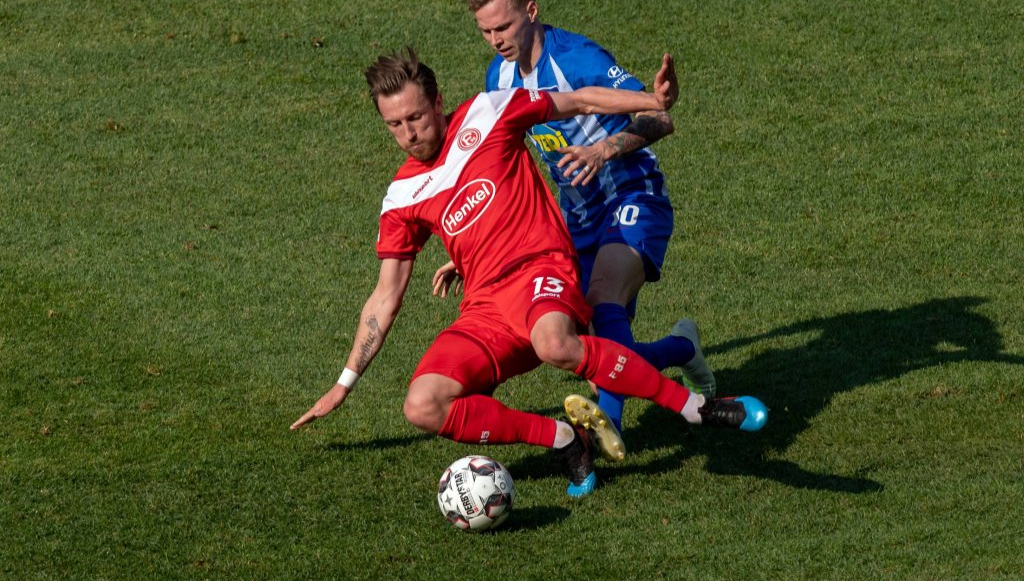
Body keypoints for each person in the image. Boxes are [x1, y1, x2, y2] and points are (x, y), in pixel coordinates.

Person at [290, 47, 766, 498]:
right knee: (422, 405)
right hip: (485, 309)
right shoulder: (402, 196)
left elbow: (577, 99)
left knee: (555, 343)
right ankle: (563, 439)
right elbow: (385, 296)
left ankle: (696, 409)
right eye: (394, 124)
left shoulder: (487, 113)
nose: (409, 132)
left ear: (437, 102)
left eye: (415, 117)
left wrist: (653, 100)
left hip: (543, 270)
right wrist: (343, 383)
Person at [447, 0, 717, 433]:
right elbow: (503, 165)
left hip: (632, 194)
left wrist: (604, 148)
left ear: (531, 11)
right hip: (574, 218)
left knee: (603, 297)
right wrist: (471, 244)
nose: (495, 39)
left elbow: (661, 119)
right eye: (486, 31)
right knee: (600, 351)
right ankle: (681, 348)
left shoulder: (578, 59)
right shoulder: (499, 76)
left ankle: (604, 434)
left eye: (504, 26)